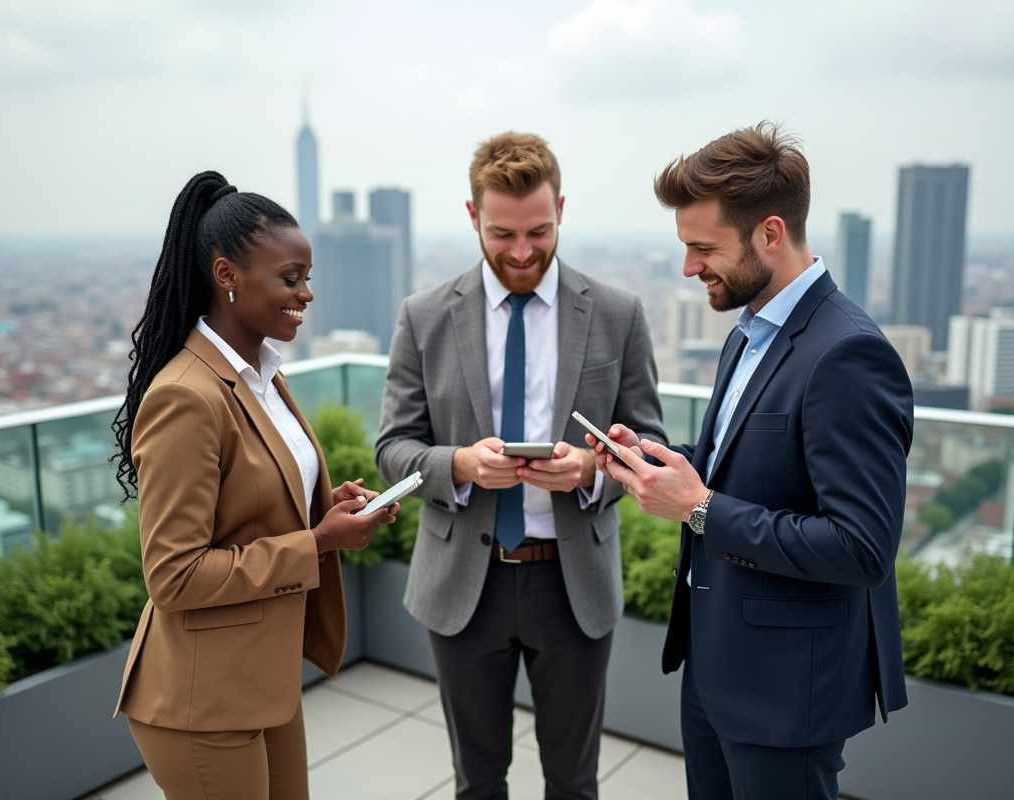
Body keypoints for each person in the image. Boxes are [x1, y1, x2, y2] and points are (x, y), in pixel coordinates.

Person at [592, 123, 913, 800]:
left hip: (786, 688)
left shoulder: (848, 354)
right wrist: (649, 460)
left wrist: (699, 509)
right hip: (715, 664)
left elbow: (861, 548)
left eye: (703, 248)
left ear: (770, 233)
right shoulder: (748, 332)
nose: (688, 268)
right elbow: (729, 466)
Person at [376, 132, 664, 800]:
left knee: (574, 782)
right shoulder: (422, 317)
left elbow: (646, 442)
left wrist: (592, 473)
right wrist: (462, 464)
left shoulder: (619, 314)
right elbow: (393, 446)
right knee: (477, 782)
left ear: (561, 208)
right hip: (461, 589)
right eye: (502, 233)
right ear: (473, 216)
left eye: (540, 230)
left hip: (573, 585)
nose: (523, 252)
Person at [110, 171, 396, 800]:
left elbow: (260, 504)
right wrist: (319, 542)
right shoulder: (187, 397)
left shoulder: (261, 374)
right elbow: (175, 576)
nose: (307, 293)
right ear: (227, 275)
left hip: (262, 677)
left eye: (307, 277)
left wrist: (329, 510)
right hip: (201, 699)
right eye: (291, 279)